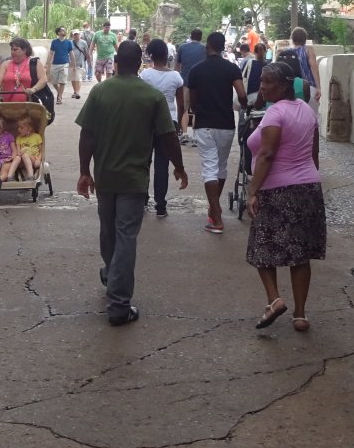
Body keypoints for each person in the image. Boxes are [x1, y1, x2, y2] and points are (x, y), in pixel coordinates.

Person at [76, 41, 187, 325]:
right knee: (125, 236)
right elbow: (168, 137)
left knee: (108, 232)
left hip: (105, 176)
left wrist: (84, 171)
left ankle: (111, 275)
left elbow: (87, 135)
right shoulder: (152, 96)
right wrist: (178, 167)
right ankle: (119, 304)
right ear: (140, 63)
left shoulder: (100, 91)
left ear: (115, 62)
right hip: (134, 178)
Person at [245, 61, 325, 332]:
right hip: (307, 188)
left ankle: (275, 300)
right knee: (300, 253)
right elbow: (314, 153)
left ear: (284, 86)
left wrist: (253, 191)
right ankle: (300, 315)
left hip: (277, 190)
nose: (262, 86)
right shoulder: (306, 110)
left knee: (262, 248)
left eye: (268, 82)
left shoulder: (275, 113)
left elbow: (267, 155)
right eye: (262, 81)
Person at [183, 31, 248, 235]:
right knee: (220, 167)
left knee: (209, 169)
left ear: (207, 46)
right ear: (222, 47)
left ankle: (216, 216)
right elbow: (242, 94)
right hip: (226, 124)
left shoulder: (196, 70)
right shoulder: (231, 68)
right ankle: (214, 208)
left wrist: (197, 111)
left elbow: (192, 101)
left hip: (205, 124)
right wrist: (245, 105)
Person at [139, 39, 185, 218]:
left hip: (146, 122)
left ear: (151, 56)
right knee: (162, 164)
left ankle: (143, 198)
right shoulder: (176, 77)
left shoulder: (145, 75)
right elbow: (181, 105)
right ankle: (160, 205)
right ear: (167, 56)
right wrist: (179, 124)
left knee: (144, 162)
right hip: (168, 123)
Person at [0, 37, 46, 103]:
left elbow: (43, 80)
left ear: (24, 50)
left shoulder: (35, 63)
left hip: (30, 105)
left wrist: (33, 89)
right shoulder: (5, 64)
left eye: (15, 49)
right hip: (7, 105)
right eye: (11, 49)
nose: (12, 52)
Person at [289, 27, 321, 105]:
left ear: (292, 38)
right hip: (308, 88)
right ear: (305, 38)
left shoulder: (287, 52)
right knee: (311, 112)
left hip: (291, 89)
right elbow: (313, 67)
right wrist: (318, 87)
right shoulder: (308, 49)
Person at [49, 26, 75, 104]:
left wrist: (73, 64)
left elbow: (71, 54)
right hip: (55, 64)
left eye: (65, 30)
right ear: (58, 32)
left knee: (62, 82)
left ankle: (59, 97)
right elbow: (51, 53)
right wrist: (47, 63)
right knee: (53, 82)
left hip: (65, 64)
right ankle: (59, 92)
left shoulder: (68, 42)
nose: (64, 31)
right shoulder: (54, 42)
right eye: (62, 30)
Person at [69, 30, 87, 98]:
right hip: (71, 62)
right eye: (75, 34)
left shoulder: (83, 43)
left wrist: (89, 61)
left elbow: (86, 52)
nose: (76, 36)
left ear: (80, 35)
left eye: (77, 34)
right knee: (73, 78)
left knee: (78, 78)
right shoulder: (70, 43)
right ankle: (75, 91)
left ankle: (77, 92)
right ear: (73, 35)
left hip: (80, 62)